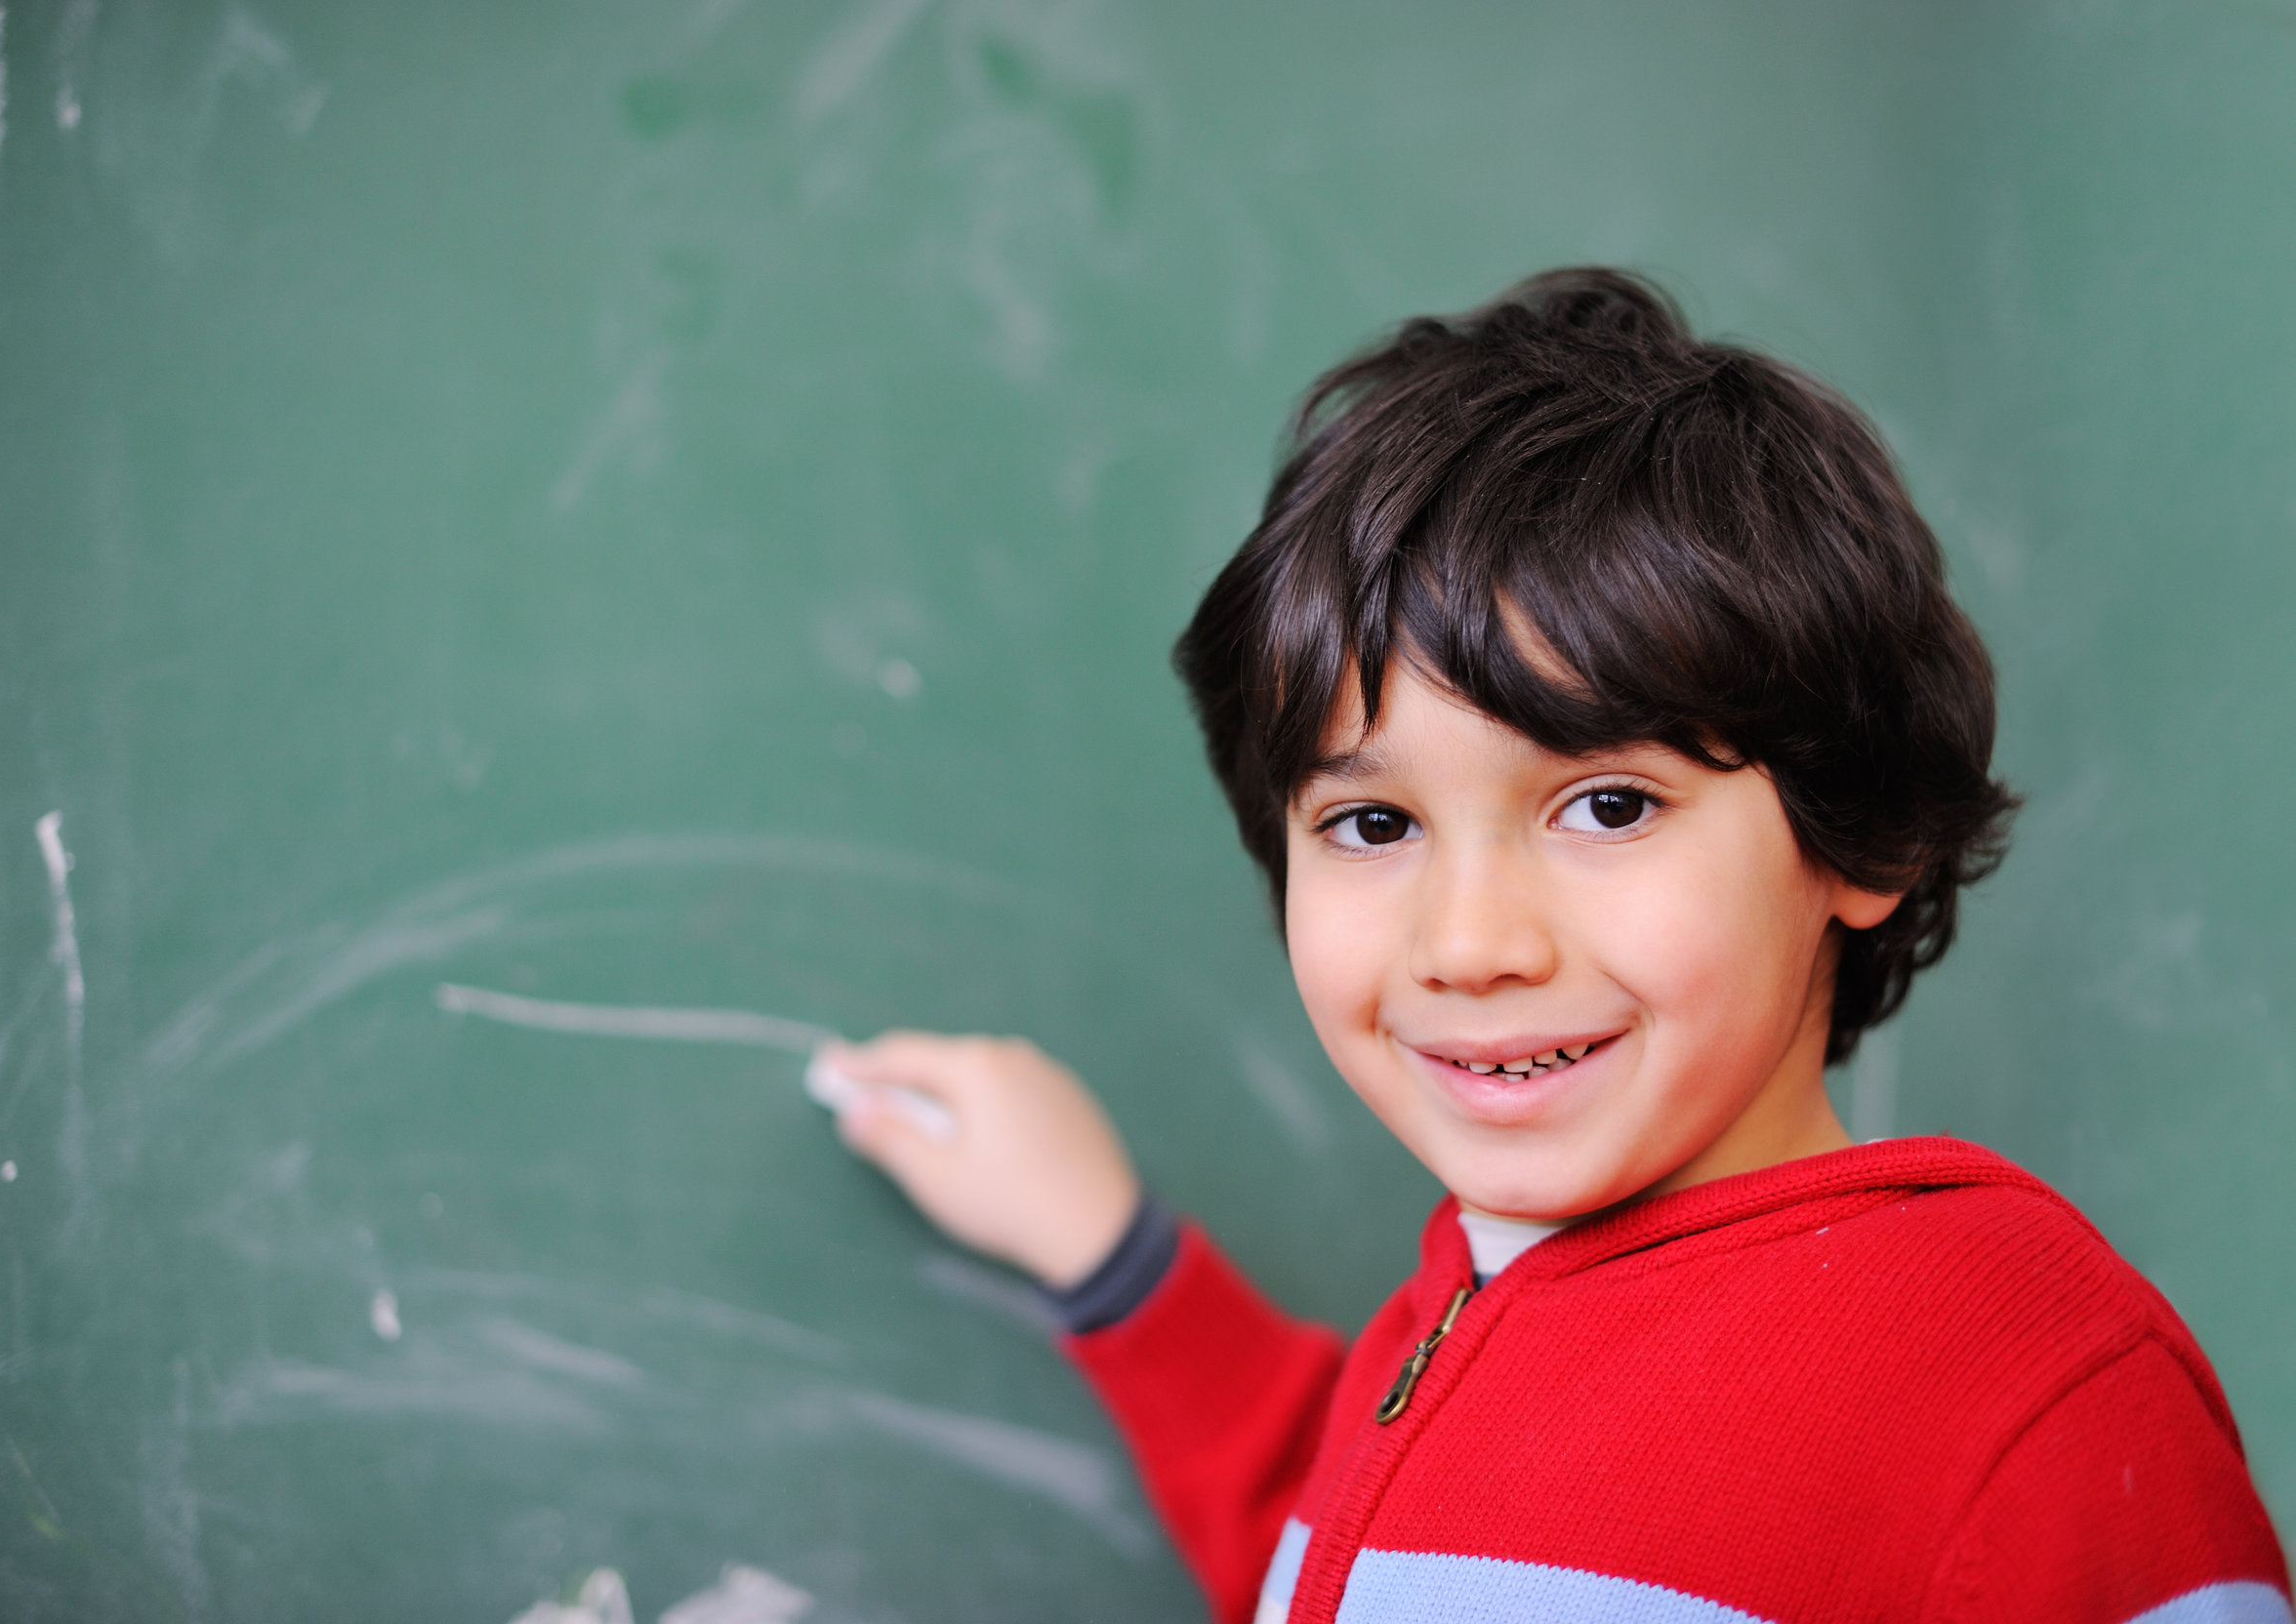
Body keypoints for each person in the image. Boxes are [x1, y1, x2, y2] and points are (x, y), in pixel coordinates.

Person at [813, 269, 2291, 1624]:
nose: (1468, 945)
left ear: (1862, 836)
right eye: (1373, 827)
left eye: (1605, 803)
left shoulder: (2019, 1394)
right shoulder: (1456, 1318)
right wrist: (1117, 1265)